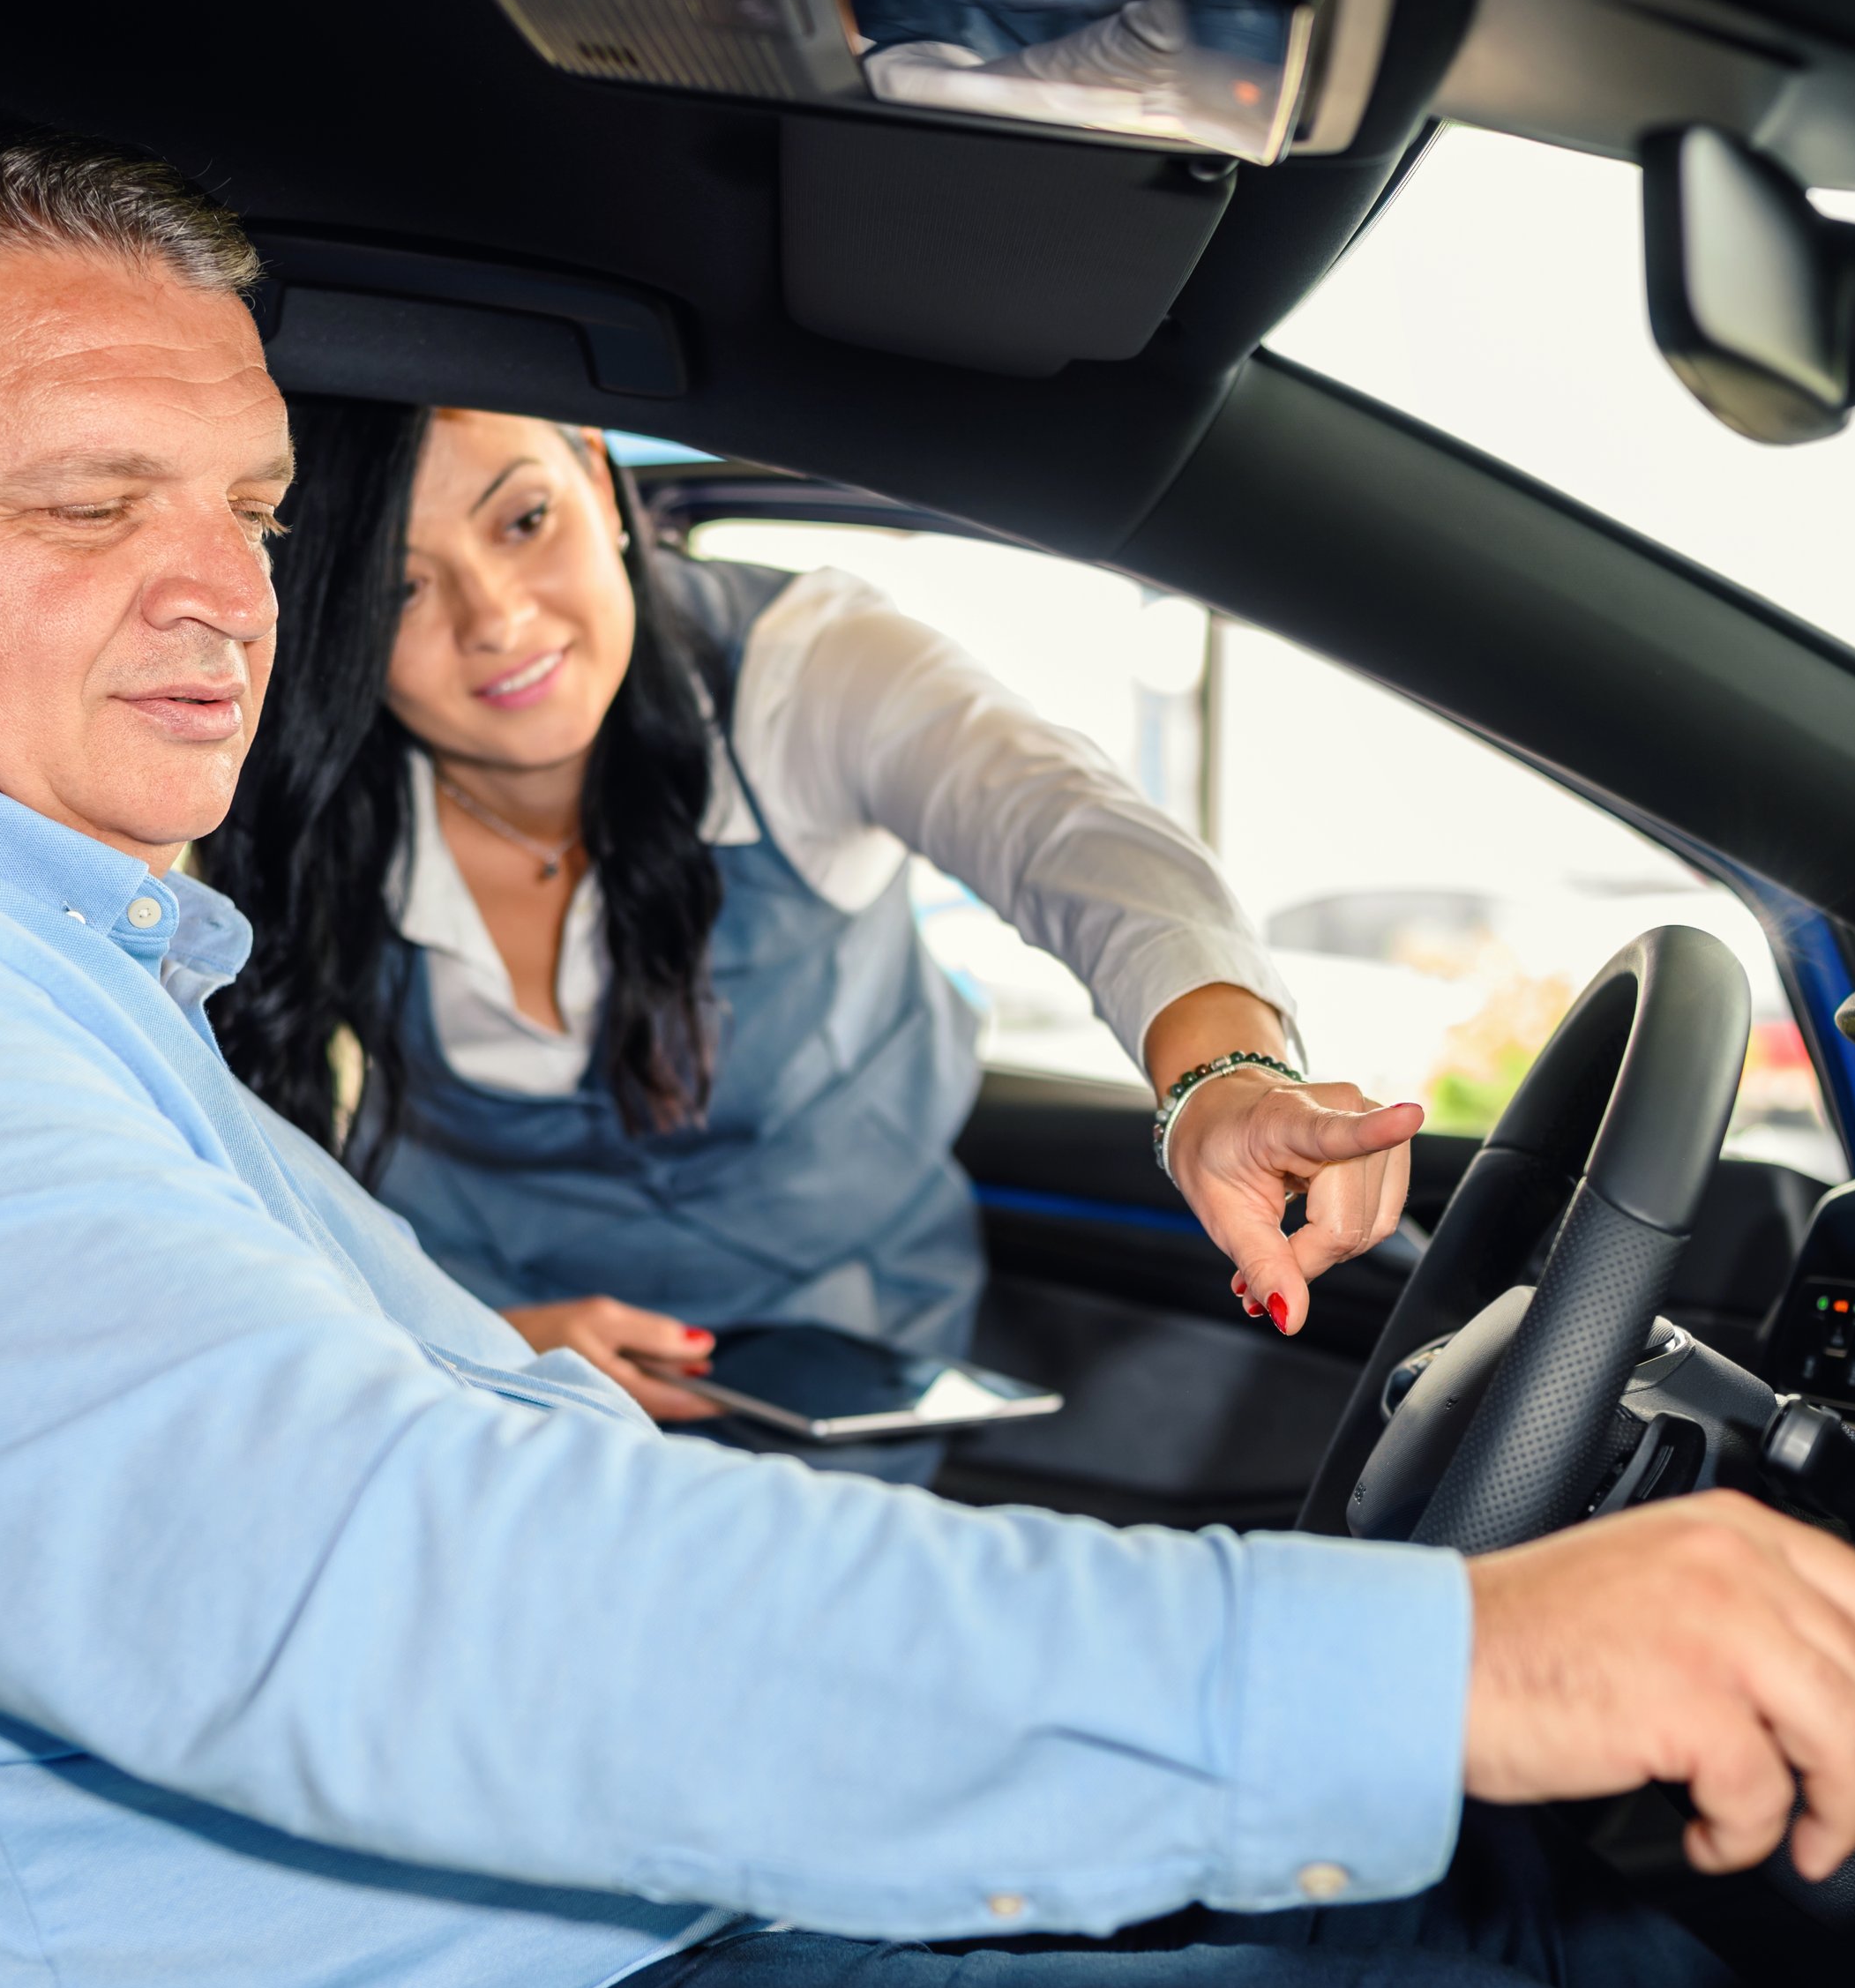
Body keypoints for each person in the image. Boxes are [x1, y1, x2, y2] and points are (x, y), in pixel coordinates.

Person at [0, 102, 1855, 1988]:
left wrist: (1212, 1065)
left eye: (254, 516)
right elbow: (440, 1606)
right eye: (88, 503)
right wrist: (1445, 1657)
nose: (217, 601)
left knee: (1601, 1960)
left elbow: (1057, 825)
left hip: (554, 1922)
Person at [203, 392, 1412, 1441]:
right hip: (476, 1385)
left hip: (846, 1378)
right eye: (398, 587)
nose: (498, 620)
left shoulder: (801, 674)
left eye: (526, 521)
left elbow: (1070, 832)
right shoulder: (286, 782)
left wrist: (1223, 1075)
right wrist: (474, 1341)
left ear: (595, 472)